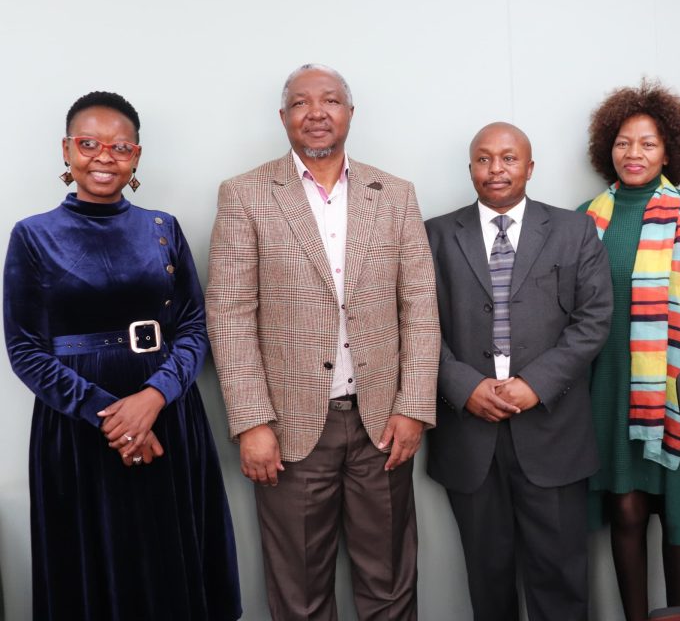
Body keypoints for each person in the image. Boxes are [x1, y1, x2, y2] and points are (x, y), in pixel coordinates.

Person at [206, 64, 440, 621]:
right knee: (301, 595)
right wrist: (252, 422)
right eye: (301, 102)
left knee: (390, 585)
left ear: (350, 113)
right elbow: (230, 316)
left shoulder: (395, 194)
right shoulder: (245, 194)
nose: (316, 112)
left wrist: (413, 407)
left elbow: (421, 308)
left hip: (382, 426)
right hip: (288, 429)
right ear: (283, 116)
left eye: (330, 101)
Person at [3, 91, 241, 620]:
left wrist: (152, 399)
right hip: (78, 426)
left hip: (168, 411)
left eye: (120, 146)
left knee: (169, 560)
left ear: (136, 156)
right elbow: (25, 350)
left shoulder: (163, 228)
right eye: (89, 144)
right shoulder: (33, 236)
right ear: (66, 150)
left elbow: (193, 326)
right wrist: (112, 417)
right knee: (93, 567)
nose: (104, 157)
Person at [426, 122, 613, 621]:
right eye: (484, 159)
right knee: (488, 581)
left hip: (554, 431)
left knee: (560, 582)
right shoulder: (435, 235)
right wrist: (464, 387)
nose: (496, 169)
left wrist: (536, 384)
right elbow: (415, 326)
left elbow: (594, 320)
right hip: (470, 435)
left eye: (508, 158)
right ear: (470, 168)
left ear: (529, 167)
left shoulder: (574, 231)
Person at [578, 81, 680, 620]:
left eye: (648, 144)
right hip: (608, 388)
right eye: (624, 142)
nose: (634, 154)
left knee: (677, 514)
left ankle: (678, 615)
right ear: (608, 148)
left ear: (669, 152)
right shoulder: (585, 217)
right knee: (625, 510)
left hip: (678, 391)